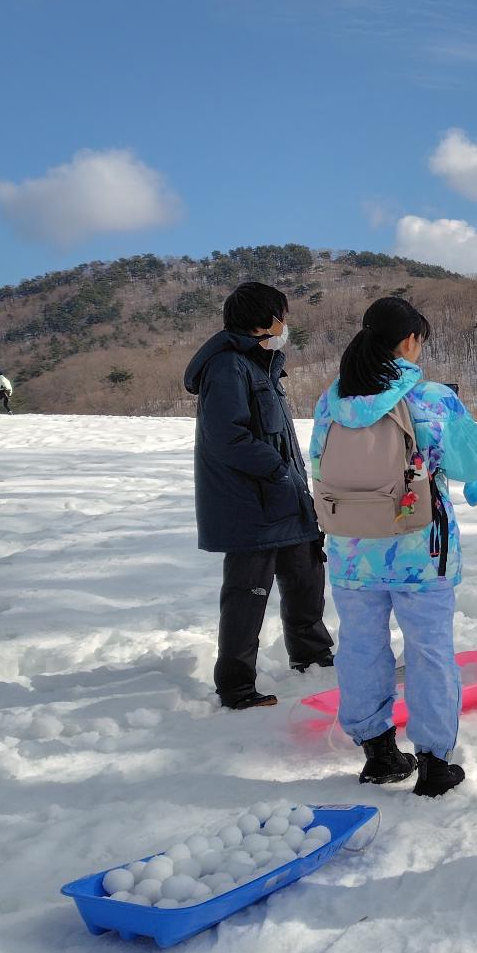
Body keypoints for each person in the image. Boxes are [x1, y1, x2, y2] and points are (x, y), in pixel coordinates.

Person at [309, 297, 477, 797]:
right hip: (418, 547)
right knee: (429, 649)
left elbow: (319, 465)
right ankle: (435, 761)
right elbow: (470, 461)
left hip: (350, 545)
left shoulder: (331, 400)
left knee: (361, 644)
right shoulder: (430, 396)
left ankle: (379, 753)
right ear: (409, 341)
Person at [184, 281, 332, 711]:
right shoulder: (228, 368)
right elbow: (227, 436)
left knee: (306, 575)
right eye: (282, 315)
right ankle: (236, 687)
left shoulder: (260, 365)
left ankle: (314, 658)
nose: (286, 324)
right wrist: (277, 469)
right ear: (263, 321)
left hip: (285, 499)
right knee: (247, 596)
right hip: (252, 505)